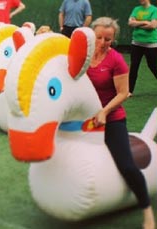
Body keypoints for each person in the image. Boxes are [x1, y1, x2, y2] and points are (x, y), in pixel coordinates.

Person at [87, 17, 155, 229]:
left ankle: (147, 213)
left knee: (127, 165)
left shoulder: (116, 60)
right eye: (98, 37)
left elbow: (124, 93)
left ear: (113, 39)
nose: (102, 42)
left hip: (112, 118)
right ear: (92, 36)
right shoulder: (83, 56)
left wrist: (105, 111)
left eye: (108, 39)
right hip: (85, 118)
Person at [128, 0, 157, 95]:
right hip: (136, 43)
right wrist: (145, 22)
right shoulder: (136, 9)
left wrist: (137, 23)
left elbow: (153, 25)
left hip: (151, 44)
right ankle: (129, 91)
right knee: (134, 67)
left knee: (153, 66)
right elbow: (130, 23)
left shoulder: (154, 10)